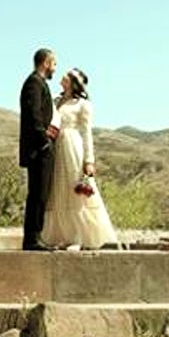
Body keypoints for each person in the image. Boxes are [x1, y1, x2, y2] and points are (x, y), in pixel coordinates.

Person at [40, 68, 120, 250]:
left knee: (74, 190)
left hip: (72, 146)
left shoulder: (82, 104)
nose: (62, 77)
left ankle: (78, 237)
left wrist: (89, 160)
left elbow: (86, 132)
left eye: (67, 76)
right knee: (57, 190)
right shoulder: (56, 100)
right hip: (56, 146)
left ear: (73, 82)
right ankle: (61, 235)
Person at [18, 47, 57, 251]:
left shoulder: (38, 83)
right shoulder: (34, 83)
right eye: (54, 64)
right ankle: (32, 238)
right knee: (37, 194)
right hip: (38, 150)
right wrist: (44, 141)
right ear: (46, 63)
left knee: (41, 193)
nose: (55, 69)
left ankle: (36, 236)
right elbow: (33, 116)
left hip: (41, 148)